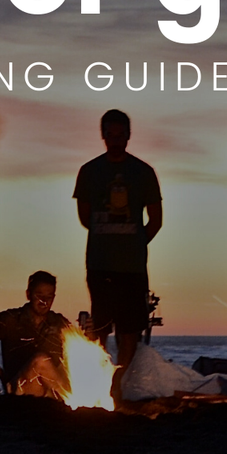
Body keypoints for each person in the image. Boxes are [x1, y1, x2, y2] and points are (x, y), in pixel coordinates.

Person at [72, 109, 161, 379]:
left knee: (130, 328)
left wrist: (135, 242)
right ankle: (101, 380)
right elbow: (85, 218)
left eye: (120, 135)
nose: (115, 140)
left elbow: (156, 220)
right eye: (110, 134)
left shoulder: (144, 172)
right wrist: (109, 234)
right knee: (101, 326)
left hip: (132, 266)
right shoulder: (89, 171)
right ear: (103, 135)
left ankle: (119, 383)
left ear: (128, 136)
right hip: (100, 264)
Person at [0, 271, 72, 399]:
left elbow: (83, 347)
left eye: (49, 297)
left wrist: (89, 331)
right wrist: (0, 372)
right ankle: (74, 399)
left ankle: (71, 398)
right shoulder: (11, 319)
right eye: (39, 296)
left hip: (51, 390)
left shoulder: (59, 322)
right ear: (28, 294)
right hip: (22, 388)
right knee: (41, 361)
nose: (44, 301)